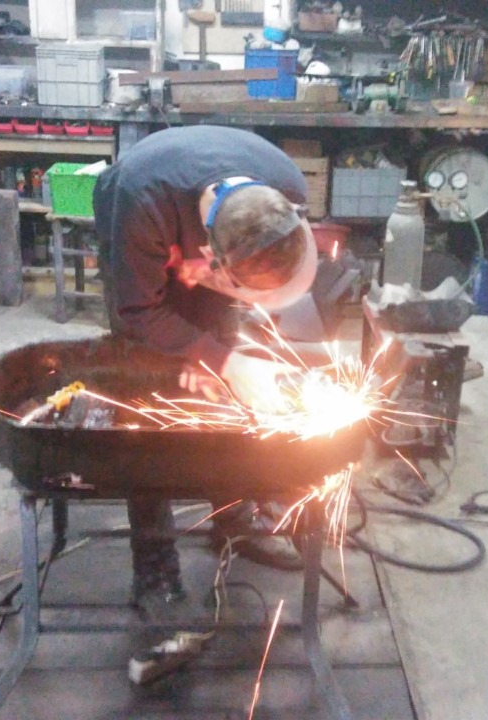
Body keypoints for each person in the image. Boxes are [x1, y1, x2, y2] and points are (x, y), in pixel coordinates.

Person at [93, 125, 319, 612]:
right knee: (149, 399)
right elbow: (139, 312)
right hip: (134, 210)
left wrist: (221, 357)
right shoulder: (142, 204)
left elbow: (245, 295)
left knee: (223, 379)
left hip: (204, 234)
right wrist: (222, 359)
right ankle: (155, 566)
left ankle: (235, 520)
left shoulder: (287, 189)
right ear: (212, 256)